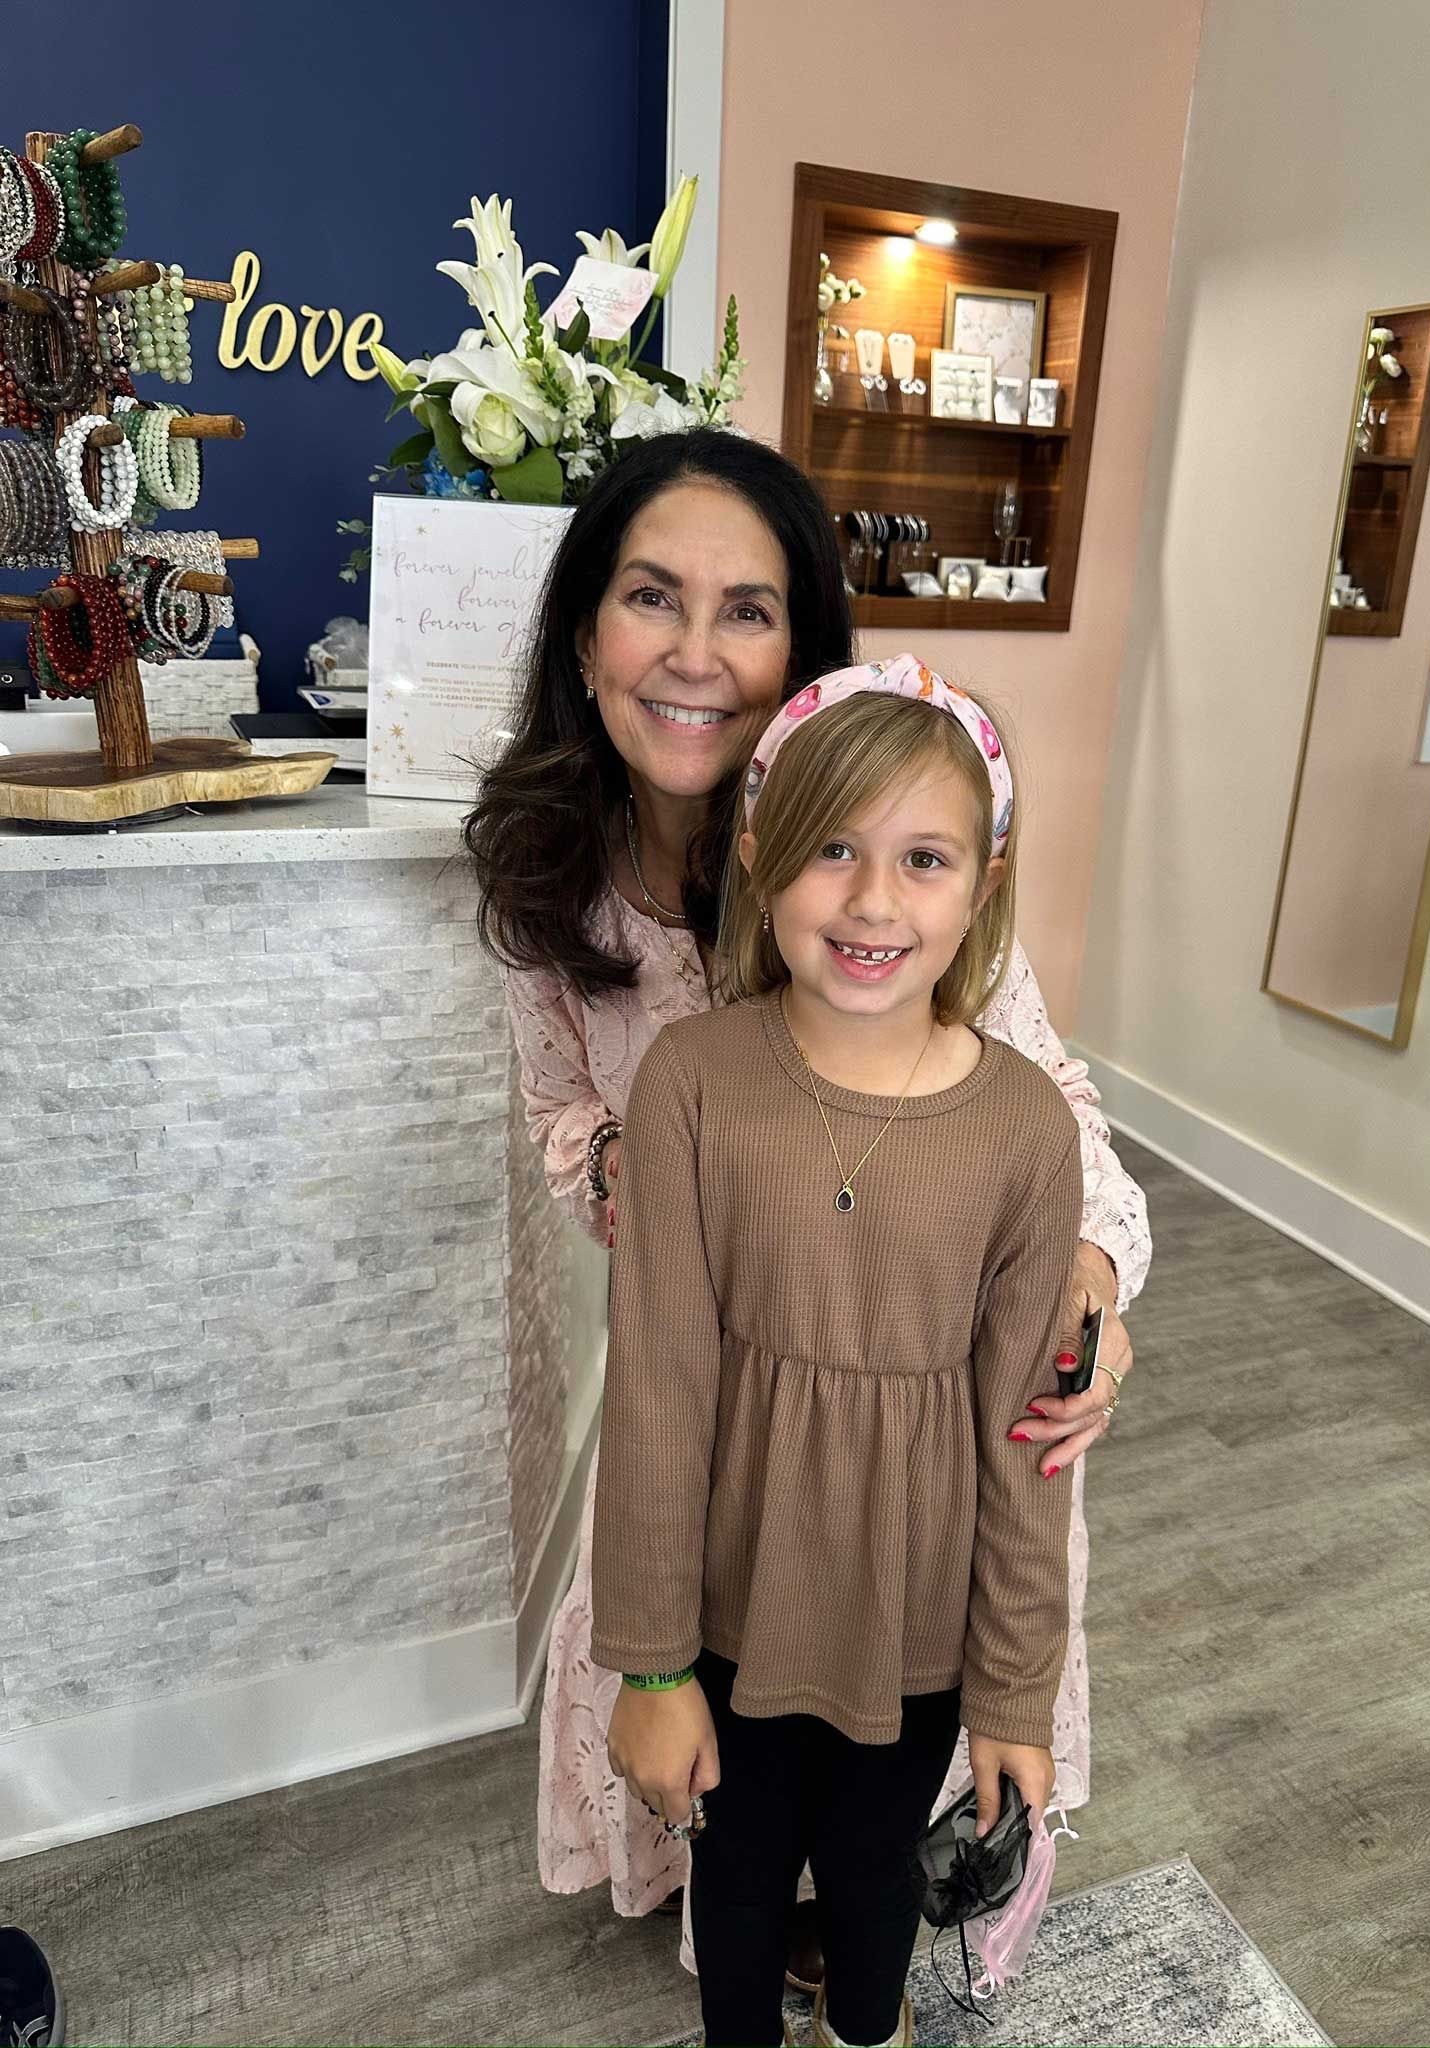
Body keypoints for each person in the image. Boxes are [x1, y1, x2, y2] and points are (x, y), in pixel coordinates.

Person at [467, 430, 1150, 1978]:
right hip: (720, 1394)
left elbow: (1054, 1119)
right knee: (727, 1744)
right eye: (653, 598)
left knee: (881, 1768)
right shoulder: (545, 876)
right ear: (584, 633)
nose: (696, 653)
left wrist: (1090, 1287)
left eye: (751, 611)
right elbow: (561, 1116)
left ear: (804, 651)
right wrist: (652, 1171)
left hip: (917, 1417)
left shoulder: (886, 874)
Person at [594, 658, 1081, 2048]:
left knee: (876, 1891)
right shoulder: (692, 1085)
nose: (874, 901)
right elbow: (658, 1392)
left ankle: (869, 2029)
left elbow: (1023, 1447)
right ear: (759, 858)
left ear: (983, 885)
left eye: (925, 858)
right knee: (737, 1891)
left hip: (913, 1628)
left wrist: (1014, 1695)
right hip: (725, 1617)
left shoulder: (1027, 1131)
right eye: (833, 849)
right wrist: (651, 1670)